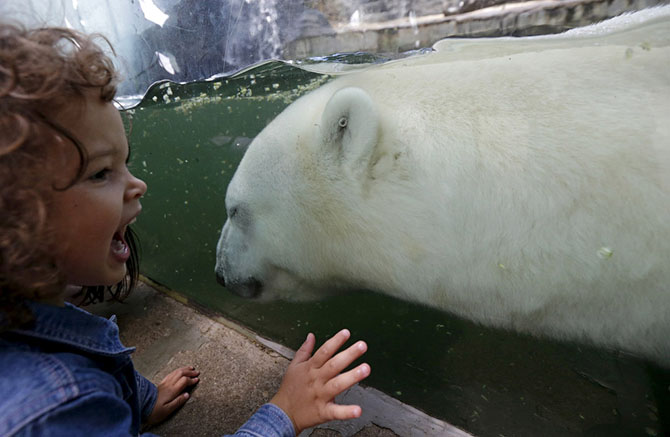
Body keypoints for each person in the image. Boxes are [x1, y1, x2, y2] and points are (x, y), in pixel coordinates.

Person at [0, 22, 370, 437]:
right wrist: (283, 413)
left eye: (126, 162)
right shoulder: (58, 410)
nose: (138, 184)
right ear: (15, 222)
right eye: (102, 172)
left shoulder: (34, 305)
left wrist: (140, 401)